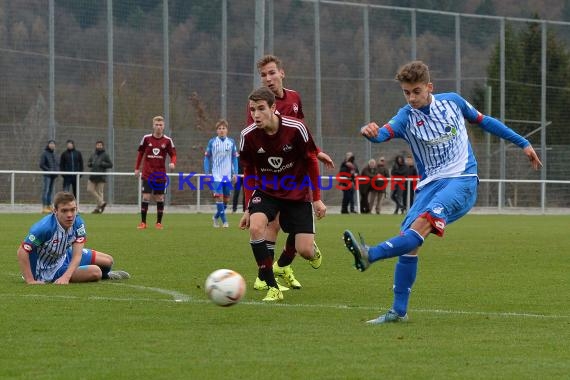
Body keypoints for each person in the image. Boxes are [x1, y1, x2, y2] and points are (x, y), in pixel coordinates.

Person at [343, 60, 541, 324]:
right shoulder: (405, 117)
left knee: (421, 226)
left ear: (429, 87)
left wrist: (523, 142)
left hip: (462, 179)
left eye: (416, 91)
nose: (411, 98)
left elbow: (485, 121)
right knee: (409, 242)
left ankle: (371, 254)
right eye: (406, 92)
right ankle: (398, 312)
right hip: (429, 185)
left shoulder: (453, 103)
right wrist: (371, 133)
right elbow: (383, 134)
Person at [247, 55, 334, 291]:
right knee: (271, 225)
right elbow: (255, 141)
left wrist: (317, 152)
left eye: (272, 73)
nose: (268, 79)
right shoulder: (258, 106)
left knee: (297, 231)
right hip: (272, 175)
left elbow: (302, 131)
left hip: (296, 172)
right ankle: (264, 276)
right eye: (263, 75)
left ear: (282, 73)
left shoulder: (294, 98)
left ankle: (283, 266)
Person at [17, 191, 130, 284]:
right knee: (96, 272)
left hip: (64, 255)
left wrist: (66, 277)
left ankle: (106, 275)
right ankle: (93, 274)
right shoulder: (44, 228)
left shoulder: (78, 222)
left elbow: (77, 255)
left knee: (108, 261)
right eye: (64, 211)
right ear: (55, 211)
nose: (70, 215)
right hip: (47, 270)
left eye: (73, 209)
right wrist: (30, 280)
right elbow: (22, 251)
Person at [135, 115, 177, 230]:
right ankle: (143, 223)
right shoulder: (146, 138)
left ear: (163, 127)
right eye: (156, 125)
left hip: (160, 174)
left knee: (159, 198)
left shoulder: (167, 141)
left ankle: (159, 223)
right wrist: (137, 168)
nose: (158, 127)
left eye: (160, 125)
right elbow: (140, 154)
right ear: (153, 126)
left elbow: (173, 154)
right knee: (146, 197)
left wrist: (173, 163)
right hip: (147, 173)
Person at [203, 119, 238, 228]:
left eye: (224, 128)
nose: (222, 130)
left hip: (227, 175)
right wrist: (207, 173)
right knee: (219, 198)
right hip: (216, 175)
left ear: (227, 130)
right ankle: (225, 222)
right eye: (219, 128)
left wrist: (235, 173)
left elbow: (235, 159)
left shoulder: (231, 142)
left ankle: (215, 217)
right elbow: (207, 158)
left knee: (226, 201)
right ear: (217, 131)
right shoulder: (212, 142)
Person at [87, 140, 113, 214]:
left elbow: (110, 164)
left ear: (102, 146)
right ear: (96, 146)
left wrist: (102, 164)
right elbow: (89, 163)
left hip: (101, 176)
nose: (99, 146)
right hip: (93, 175)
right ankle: (102, 202)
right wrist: (91, 164)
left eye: (100, 145)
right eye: (97, 145)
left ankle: (98, 209)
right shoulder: (93, 154)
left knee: (99, 192)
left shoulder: (105, 155)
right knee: (90, 189)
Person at [39, 140, 58, 214]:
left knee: (50, 191)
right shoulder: (45, 153)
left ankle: (49, 205)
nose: (52, 145)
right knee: (46, 191)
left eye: (53, 144)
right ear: (48, 145)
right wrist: (49, 170)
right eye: (51, 144)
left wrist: (56, 170)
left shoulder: (54, 154)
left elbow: (56, 164)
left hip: (53, 175)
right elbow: (41, 164)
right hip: (47, 175)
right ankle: (44, 206)